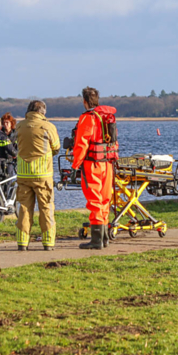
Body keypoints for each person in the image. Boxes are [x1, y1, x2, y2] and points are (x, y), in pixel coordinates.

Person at [72, 87, 116, 251]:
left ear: (84, 101)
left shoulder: (87, 118)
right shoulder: (107, 117)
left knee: (94, 200)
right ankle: (104, 239)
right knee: (105, 200)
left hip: (92, 164)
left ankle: (96, 240)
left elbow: (81, 143)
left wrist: (75, 165)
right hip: (108, 163)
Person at [14, 100, 60, 250]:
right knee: (46, 208)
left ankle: (22, 243)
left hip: (23, 174)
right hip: (43, 174)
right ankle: (48, 243)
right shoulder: (48, 126)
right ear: (43, 112)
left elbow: (14, 144)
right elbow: (56, 147)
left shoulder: (19, 126)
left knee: (24, 208)